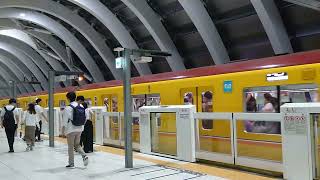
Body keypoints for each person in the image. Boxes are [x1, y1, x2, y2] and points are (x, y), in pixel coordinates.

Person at [62, 92, 88, 168]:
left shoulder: (68, 108)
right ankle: (84, 155)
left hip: (71, 129)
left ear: (68, 98)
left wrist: (63, 130)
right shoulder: (81, 106)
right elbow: (85, 117)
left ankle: (71, 163)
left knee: (70, 146)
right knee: (77, 145)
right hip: (80, 128)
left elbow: (64, 121)